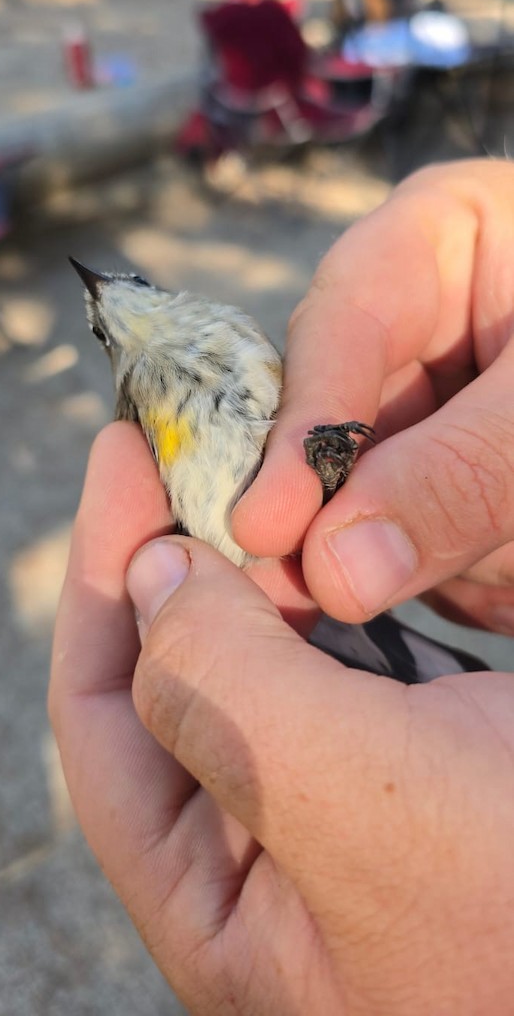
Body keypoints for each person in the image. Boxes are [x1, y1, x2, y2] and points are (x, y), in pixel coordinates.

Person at [49, 159, 514, 1015]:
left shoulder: (219, 327)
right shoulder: (139, 403)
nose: (114, 300)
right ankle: (400, 686)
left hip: (296, 551)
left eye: (126, 285)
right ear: (112, 351)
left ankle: (408, 681)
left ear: (152, 286)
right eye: (103, 328)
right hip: (265, 579)